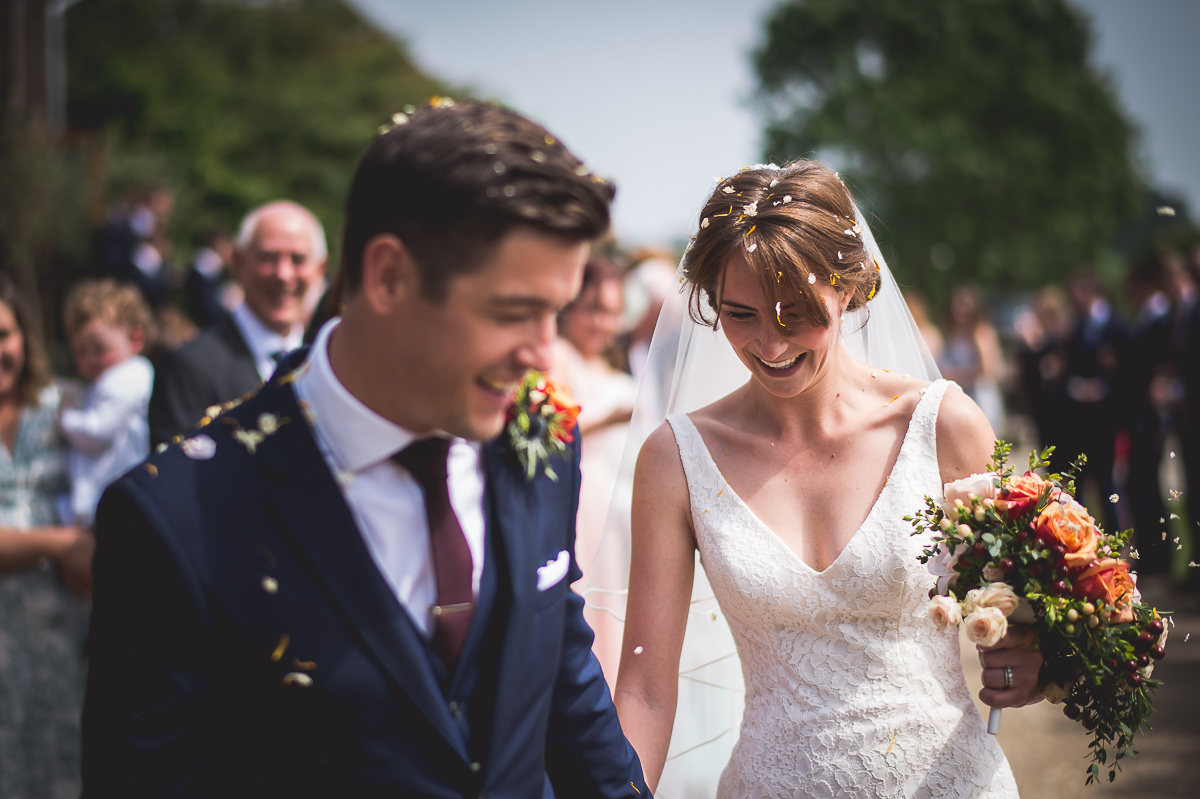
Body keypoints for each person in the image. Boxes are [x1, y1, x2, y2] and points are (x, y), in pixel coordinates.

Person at [81, 98, 651, 798]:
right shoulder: (174, 517)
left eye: (554, 312)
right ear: (386, 277)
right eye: (512, 312)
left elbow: (562, 676)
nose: (542, 353)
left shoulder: (541, 440)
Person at [611, 162, 1040, 797]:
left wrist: (1034, 654)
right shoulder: (676, 458)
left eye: (796, 313)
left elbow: (1029, 609)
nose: (770, 344)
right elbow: (645, 690)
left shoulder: (941, 425)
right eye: (740, 314)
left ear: (848, 288)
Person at [0, 272, 92, 799]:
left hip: (65, 643)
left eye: (4, 334)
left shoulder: (68, 409)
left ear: (25, 338)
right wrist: (60, 543)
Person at [147, 200, 327, 446]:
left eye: (297, 259)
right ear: (239, 262)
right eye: (268, 257)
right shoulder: (187, 368)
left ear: (320, 269)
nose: (283, 274)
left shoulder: (329, 363)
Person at [550, 256, 637, 682]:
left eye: (612, 312)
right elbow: (553, 427)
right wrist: (613, 417)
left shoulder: (614, 366)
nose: (604, 323)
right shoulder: (558, 354)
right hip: (579, 498)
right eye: (594, 310)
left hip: (613, 505)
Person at [59, 279, 156, 529]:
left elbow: (99, 431)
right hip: (96, 509)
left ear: (135, 338)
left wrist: (65, 418)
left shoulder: (130, 374)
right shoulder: (103, 381)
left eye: (100, 349)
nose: (90, 359)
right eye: (81, 351)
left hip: (118, 505)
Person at [939, 284, 1006, 436]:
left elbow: (988, 369)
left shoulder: (983, 333)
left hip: (981, 395)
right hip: (958, 395)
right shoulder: (951, 333)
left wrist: (957, 375)